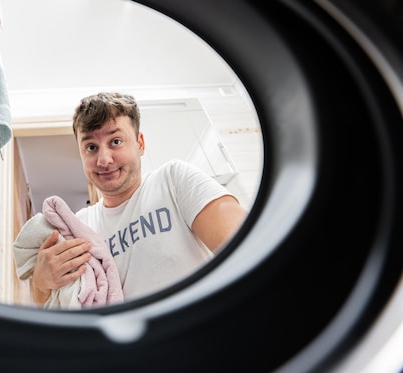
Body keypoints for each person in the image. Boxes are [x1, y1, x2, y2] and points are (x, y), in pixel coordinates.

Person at [29, 92, 248, 306]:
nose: (104, 160)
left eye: (115, 141)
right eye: (91, 147)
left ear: (140, 144)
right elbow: (50, 300)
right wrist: (41, 282)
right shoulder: (78, 225)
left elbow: (245, 248)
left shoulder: (173, 179)